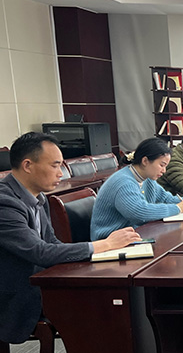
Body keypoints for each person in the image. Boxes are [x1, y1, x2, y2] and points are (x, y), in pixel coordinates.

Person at [0, 132, 140, 344]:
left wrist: (101, 253)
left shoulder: (38, 197)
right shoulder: (5, 203)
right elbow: (40, 252)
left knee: (113, 301)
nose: (61, 174)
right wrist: (104, 245)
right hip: (16, 296)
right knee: (102, 306)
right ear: (27, 165)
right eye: (55, 166)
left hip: (41, 282)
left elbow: (52, 243)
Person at [91, 138, 183, 240]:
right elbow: (140, 213)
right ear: (145, 161)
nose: (164, 171)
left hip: (133, 234)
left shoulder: (147, 179)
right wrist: (178, 208)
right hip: (110, 240)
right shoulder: (123, 182)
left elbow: (166, 198)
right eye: (162, 165)